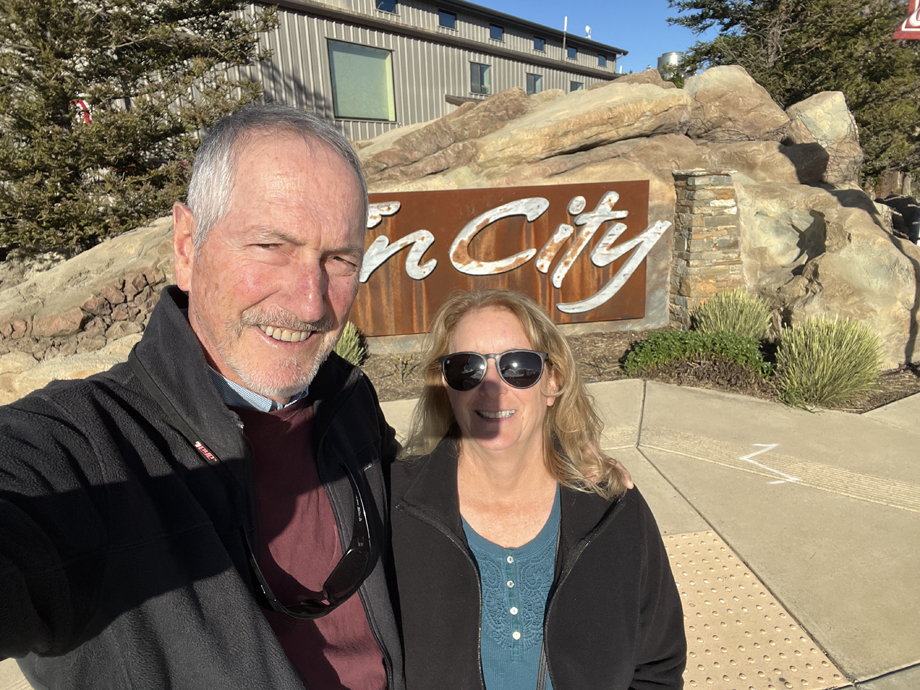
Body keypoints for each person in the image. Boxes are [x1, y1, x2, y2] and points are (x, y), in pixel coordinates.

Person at [0, 105, 404, 689]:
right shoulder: (84, 448)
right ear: (187, 246)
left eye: (339, 259)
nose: (311, 301)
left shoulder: (348, 402)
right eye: (270, 245)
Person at [390, 289, 686, 690]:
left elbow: (657, 667)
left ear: (553, 381)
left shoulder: (612, 510)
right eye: (466, 368)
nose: (492, 387)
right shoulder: (399, 511)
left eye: (518, 366)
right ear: (446, 385)